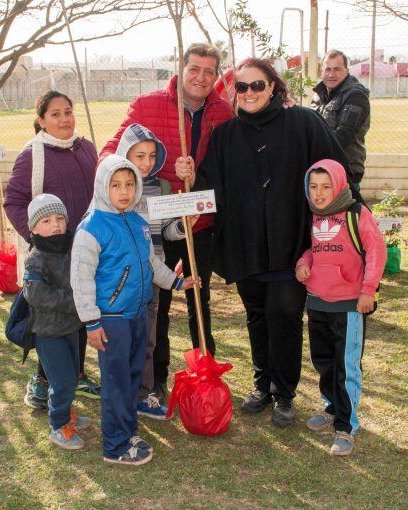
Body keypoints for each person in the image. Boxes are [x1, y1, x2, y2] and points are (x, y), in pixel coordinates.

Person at [185, 58, 362, 429]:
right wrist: (187, 182)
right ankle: (262, 383)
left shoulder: (303, 123)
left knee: (284, 314)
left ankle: (284, 392)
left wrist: (355, 223)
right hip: (246, 244)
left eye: (257, 85)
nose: (249, 93)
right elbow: (207, 192)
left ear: (273, 87)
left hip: (291, 245)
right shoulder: (226, 136)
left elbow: (337, 172)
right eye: (242, 86)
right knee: (257, 315)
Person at [101, 43, 234, 401]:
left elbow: (228, 165)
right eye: (195, 69)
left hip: (196, 221)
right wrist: (159, 168)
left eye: (209, 71)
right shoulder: (148, 105)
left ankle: (205, 371)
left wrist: (201, 189)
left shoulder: (223, 111)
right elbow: (113, 151)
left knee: (197, 297)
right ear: (181, 68)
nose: (201, 77)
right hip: (154, 224)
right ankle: (154, 377)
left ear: (217, 75)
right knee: (155, 301)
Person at [70, 154, 197, 466]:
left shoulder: (138, 221)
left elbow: (151, 263)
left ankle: (127, 431)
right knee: (115, 383)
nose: (124, 191)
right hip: (111, 320)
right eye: (116, 185)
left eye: (129, 184)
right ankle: (114, 446)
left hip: (138, 313)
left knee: (131, 377)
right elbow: (81, 278)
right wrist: (90, 321)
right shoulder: (92, 228)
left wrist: (177, 284)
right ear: (103, 187)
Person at [3, 90, 99, 408]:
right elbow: (15, 201)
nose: (64, 119)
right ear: (41, 120)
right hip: (52, 255)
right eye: (55, 114)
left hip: (84, 250)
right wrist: (38, 240)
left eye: (68, 111)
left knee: (82, 309)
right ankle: (42, 380)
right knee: (52, 318)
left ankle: (77, 373)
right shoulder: (33, 155)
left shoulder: (86, 148)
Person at [295, 159, 386, 456]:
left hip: (348, 305)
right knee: (323, 361)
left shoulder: (356, 214)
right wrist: (303, 264)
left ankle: (346, 427)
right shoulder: (314, 216)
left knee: (346, 367)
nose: (319, 193)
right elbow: (314, 249)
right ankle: (331, 406)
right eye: (313, 187)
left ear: (340, 185)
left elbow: (376, 251)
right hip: (317, 301)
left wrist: (367, 291)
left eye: (326, 186)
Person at [114, 123, 195, 419]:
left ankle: (145, 393)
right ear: (125, 155)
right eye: (139, 155)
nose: (146, 162)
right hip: (122, 282)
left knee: (149, 338)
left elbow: (170, 231)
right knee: (124, 340)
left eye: (151, 155)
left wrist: (189, 220)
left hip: (154, 278)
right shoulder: (116, 188)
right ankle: (123, 391)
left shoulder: (159, 188)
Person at [22, 193, 91, 449]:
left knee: (72, 375)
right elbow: (35, 294)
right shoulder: (36, 257)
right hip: (48, 332)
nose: (56, 225)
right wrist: (75, 302)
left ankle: (66, 413)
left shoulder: (71, 247)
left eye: (60, 218)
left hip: (71, 327)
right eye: (47, 220)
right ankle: (58, 425)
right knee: (61, 380)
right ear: (33, 228)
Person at [313, 50, 371, 188]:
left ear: (347, 70)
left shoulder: (356, 95)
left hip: (346, 172)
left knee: (344, 210)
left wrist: (310, 149)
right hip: (323, 168)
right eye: (328, 69)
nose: (331, 74)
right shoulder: (320, 94)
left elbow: (344, 135)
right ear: (322, 71)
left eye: (337, 69)